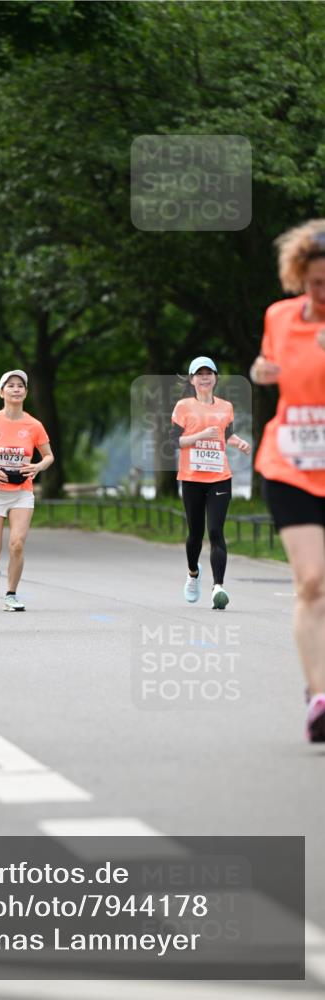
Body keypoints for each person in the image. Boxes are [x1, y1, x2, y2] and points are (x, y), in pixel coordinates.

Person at [251, 220, 325, 743]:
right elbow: (267, 366)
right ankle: (319, 696)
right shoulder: (279, 316)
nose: (323, 292)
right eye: (316, 281)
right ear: (299, 275)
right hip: (291, 463)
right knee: (312, 581)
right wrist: (260, 372)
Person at [171, 358, 251, 609]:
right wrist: (201, 436)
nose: (204, 378)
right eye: (199, 374)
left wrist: (237, 442)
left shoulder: (226, 407)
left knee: (215, 531)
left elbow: (225, 433)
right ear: (192, 379)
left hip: (220, 477)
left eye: (209, 373)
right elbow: (176, 441)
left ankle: (218, 588)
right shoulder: (183, 406)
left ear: (215, 378)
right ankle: (193, 573)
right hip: (192, 479)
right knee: (196, 534)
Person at [0, 370, 53, 611]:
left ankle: (11, 594)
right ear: (1, 392)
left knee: (17, 544)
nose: (16, 389)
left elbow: (49, 456)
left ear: (26, 392)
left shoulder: (34, 425)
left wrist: (38, 466)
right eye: (10, 385)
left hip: (22, 492)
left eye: (20, 385)